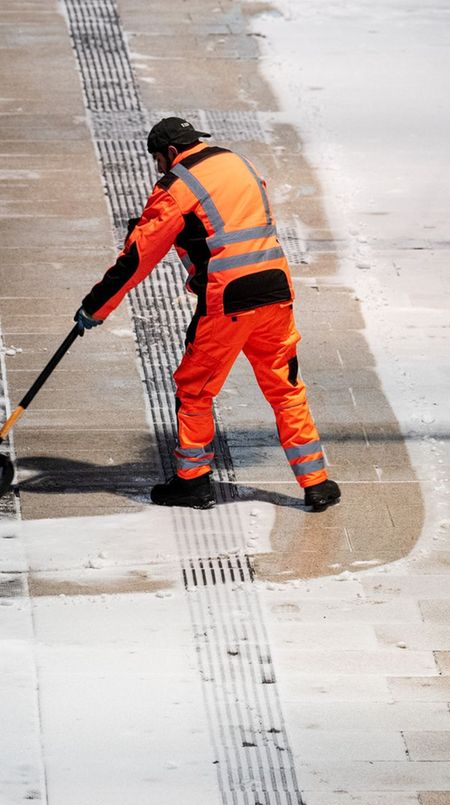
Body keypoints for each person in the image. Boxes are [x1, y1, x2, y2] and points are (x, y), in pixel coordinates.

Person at [74, 117, 341, 512]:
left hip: (228, 298)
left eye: (158, 160)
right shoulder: (238, 162)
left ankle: (193, 482)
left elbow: (138, 257)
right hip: (275, 287)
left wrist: (95, 306)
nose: (159, 168)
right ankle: (316, 483)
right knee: (285, 387)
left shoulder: (176, 186)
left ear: (169, 153)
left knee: (195, 389)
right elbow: (233, 222)